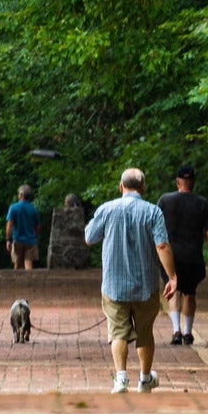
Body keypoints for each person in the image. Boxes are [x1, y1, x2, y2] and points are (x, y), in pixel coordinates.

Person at [84, 167, 177, 394]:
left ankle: (121, 379)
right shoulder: (153, 212)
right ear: (143, 187)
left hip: (113, 285)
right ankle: (145, 380)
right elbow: (162, 245)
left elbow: (89, 237)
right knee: (145, 331)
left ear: (121, 186)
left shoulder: (107, 209)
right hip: (145, 285)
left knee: (118, 332)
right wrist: (172, 277)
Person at [157, 163, 208, 345]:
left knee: (173, 289)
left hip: (171, 257)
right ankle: (188, 332)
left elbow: (154, 227)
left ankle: (176, 330)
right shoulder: (203, 203)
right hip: (194, 257)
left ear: (178, 181)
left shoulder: (165, 200)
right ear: (193, 182)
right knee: (190, 293)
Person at [5, 184, 41, 270]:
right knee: (28, 263)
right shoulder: (33, 209)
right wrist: (36, 236)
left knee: (17, 264)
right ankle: (30, 281)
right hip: (30, 240)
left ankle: (16, 282)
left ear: (21, 195)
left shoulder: (13, 208)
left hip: (17, 240)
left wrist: (8, 240)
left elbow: (9, 224)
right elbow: (37, 226)